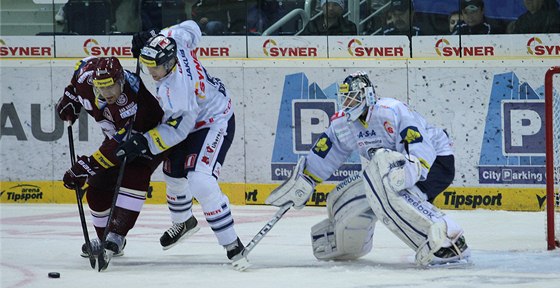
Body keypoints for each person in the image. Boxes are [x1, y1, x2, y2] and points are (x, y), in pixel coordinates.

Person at [266, 71, 471, 267]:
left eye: (353, 98)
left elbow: (418, 141)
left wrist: (411, 172)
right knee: (365, 192)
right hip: (396, 167)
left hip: (434, 161)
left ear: (368, 95)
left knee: (392, 194)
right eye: (345, 99)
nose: (348, 104)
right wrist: (306, 180)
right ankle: (345, 244)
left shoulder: (391, 110)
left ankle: (448, 242)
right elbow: (326, 152)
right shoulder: (343, 124)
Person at [126, 20, 247, 269]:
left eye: (154, 67)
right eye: (146, 65)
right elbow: (192, 26)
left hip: (214, 120)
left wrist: (144, 142)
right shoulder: (175, 41)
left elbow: (179, 130)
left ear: (169, 63)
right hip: (193, 118)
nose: (150, 72)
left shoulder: (176, 91)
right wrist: (156, 35)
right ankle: (184, 222)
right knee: (172, 172)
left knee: (200, 180)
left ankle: (232, 244)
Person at [56, 56, 168, 270]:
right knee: (97, 188)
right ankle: (104, 236)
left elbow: (122, 144)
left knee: (134, 174)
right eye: (101, 87)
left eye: (111, 87)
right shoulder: (86, 79)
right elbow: (79, 70)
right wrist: (69, 97)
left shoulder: (133, 100)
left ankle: (115, 236)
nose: (107, 93)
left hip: (149, 138)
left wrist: (86, 166)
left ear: (121, 81)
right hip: (115, 139)